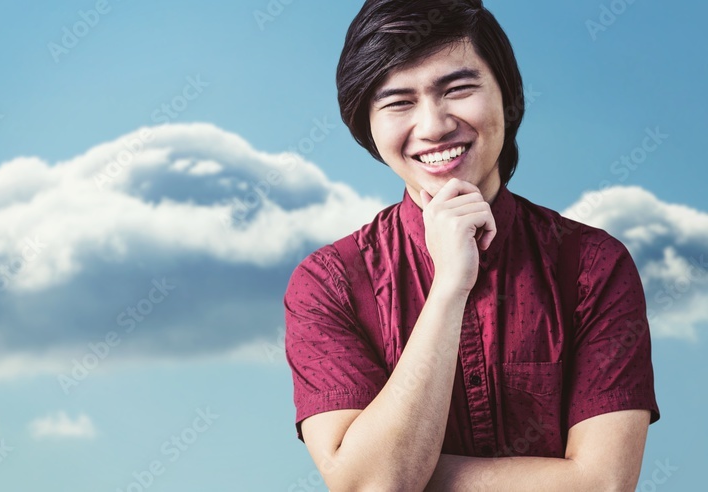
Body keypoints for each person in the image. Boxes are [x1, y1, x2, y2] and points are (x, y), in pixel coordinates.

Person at [282, 0, 660, 490]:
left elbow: (604, 485)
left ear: (507, 96)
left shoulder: (592, 266)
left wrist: (408, 472)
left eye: (457, 89)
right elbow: (370, 487)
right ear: (367, 127)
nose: (434, 125)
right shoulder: (327, 284)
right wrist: (449, 287)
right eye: (398, 102)